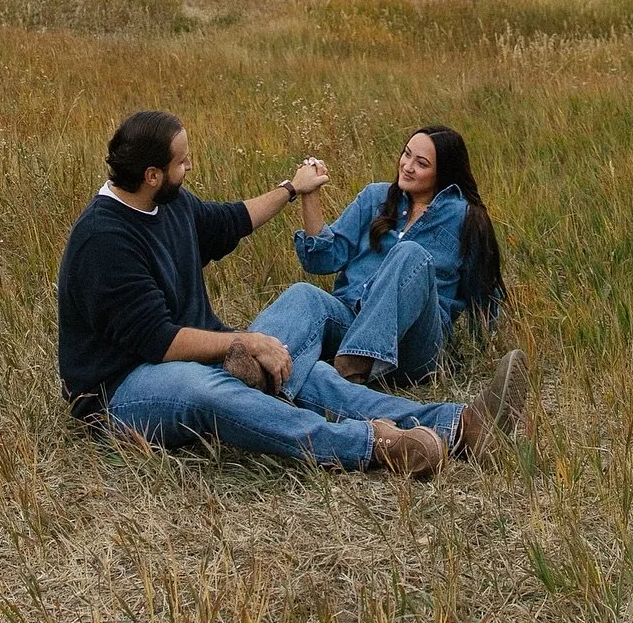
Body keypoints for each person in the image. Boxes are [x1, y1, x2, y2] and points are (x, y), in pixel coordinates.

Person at [57, 109, 527, 477]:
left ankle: (459, 426)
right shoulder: (105, 241)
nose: (191, 166)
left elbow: (231, 221)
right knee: (214, 390)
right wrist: (243, 341)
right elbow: (157, 342)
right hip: (121, 390)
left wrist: (291, 188)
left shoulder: (171, 205)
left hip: (190, 358)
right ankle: (373, 445)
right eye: (183, 161)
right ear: (153, 175)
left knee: (296, 368)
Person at [283, 126, 505, 386]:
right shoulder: (374, 198)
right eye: (407, 154)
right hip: (350, 322)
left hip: (414, 346)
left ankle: (353, 365)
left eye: (421, 163)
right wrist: (310, 194)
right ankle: (257, 364)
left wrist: (486, 352)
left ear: (442, 173)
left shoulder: (464, 217)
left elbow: (483, 294)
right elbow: (321, 261)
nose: (408, 166)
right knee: (304, 294)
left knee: (410, 254)